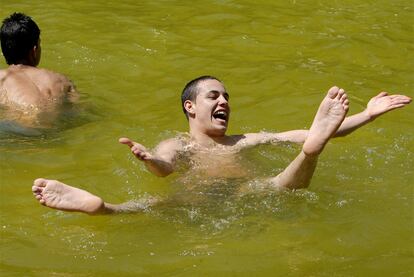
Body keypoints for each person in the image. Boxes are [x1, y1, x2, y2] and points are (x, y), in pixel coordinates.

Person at [32, 76, 411, 214]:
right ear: (190, 106)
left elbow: (313, 130)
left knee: (280, 180)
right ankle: (100, 207)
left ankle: (311, 153)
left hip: (243, 192)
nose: (225, 102)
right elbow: (165, 165)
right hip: (195, 200)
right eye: (214, 96)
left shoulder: (243, 140)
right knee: (149, 206)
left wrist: (368, 115)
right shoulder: (176, 144)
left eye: (227, 96)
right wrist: (150, 160)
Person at [0, 12, 78, 129]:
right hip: (52, 134)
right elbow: (77, 112)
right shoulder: (62, 80)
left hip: (18, 136)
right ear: (34, 50)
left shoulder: (2, 78)